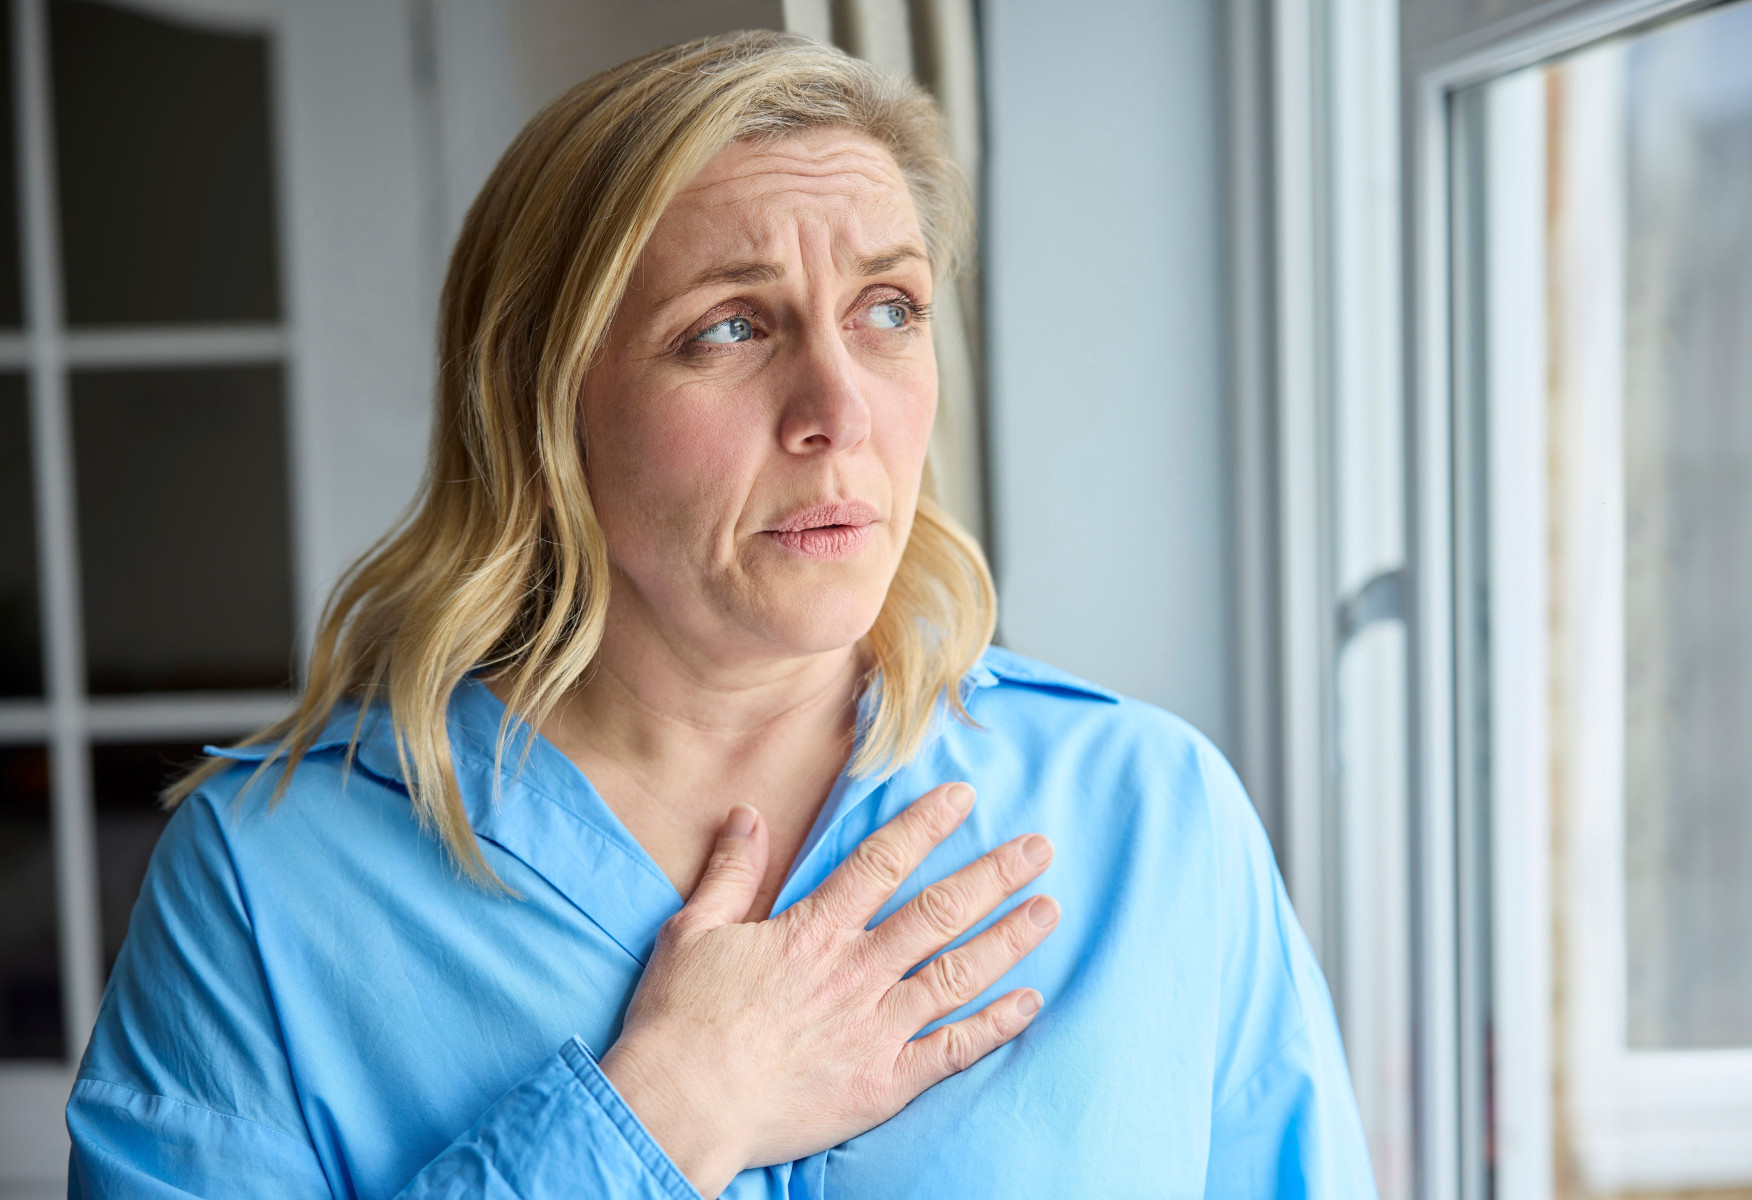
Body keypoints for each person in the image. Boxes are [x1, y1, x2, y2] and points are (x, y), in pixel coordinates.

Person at [66, 30, 1375, 1200]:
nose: (840, 410)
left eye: (888, 310)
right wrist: (664, 1111)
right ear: (541, 402)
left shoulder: (1150, 817)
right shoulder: (266, 886)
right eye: (732, 328)